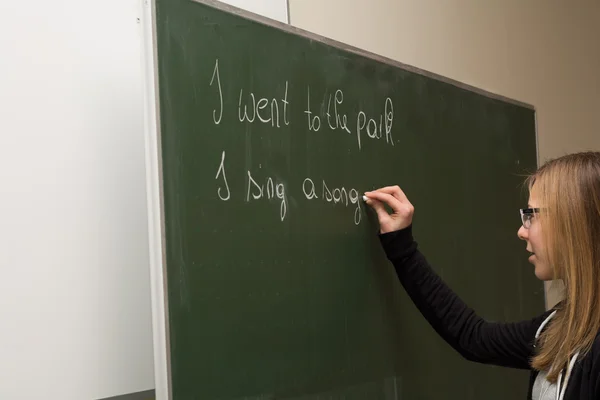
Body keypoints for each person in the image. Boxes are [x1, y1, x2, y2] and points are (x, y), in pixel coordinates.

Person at [363, 151, 600, 400]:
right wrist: (402, 248)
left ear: (574, 223)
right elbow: (474, 337)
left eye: (531, 215)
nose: (522, 231)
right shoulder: (563, 325)